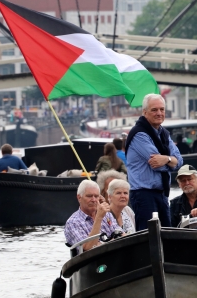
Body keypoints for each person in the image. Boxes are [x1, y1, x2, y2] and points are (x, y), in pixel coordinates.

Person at [125, 94, 183, 230]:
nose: (159, 113)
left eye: (162, 109)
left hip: (161, 193)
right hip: (143, 194)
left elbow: (179, 160)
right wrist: (171, 161)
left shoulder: (164, 134)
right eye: (154, 110)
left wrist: (167, 159)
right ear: (144, 112)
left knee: (166, 235)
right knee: (148, 237)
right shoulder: (139, 134)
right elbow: (156, 165)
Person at [64, 180, 111, 252]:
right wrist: (99, 218)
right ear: (79, 198)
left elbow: (120, 235)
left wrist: (100, 243)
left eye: (96, 196)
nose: (94, 200)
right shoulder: (73, 222)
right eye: (89, 196)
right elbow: (87, 248)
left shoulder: (106, 214)